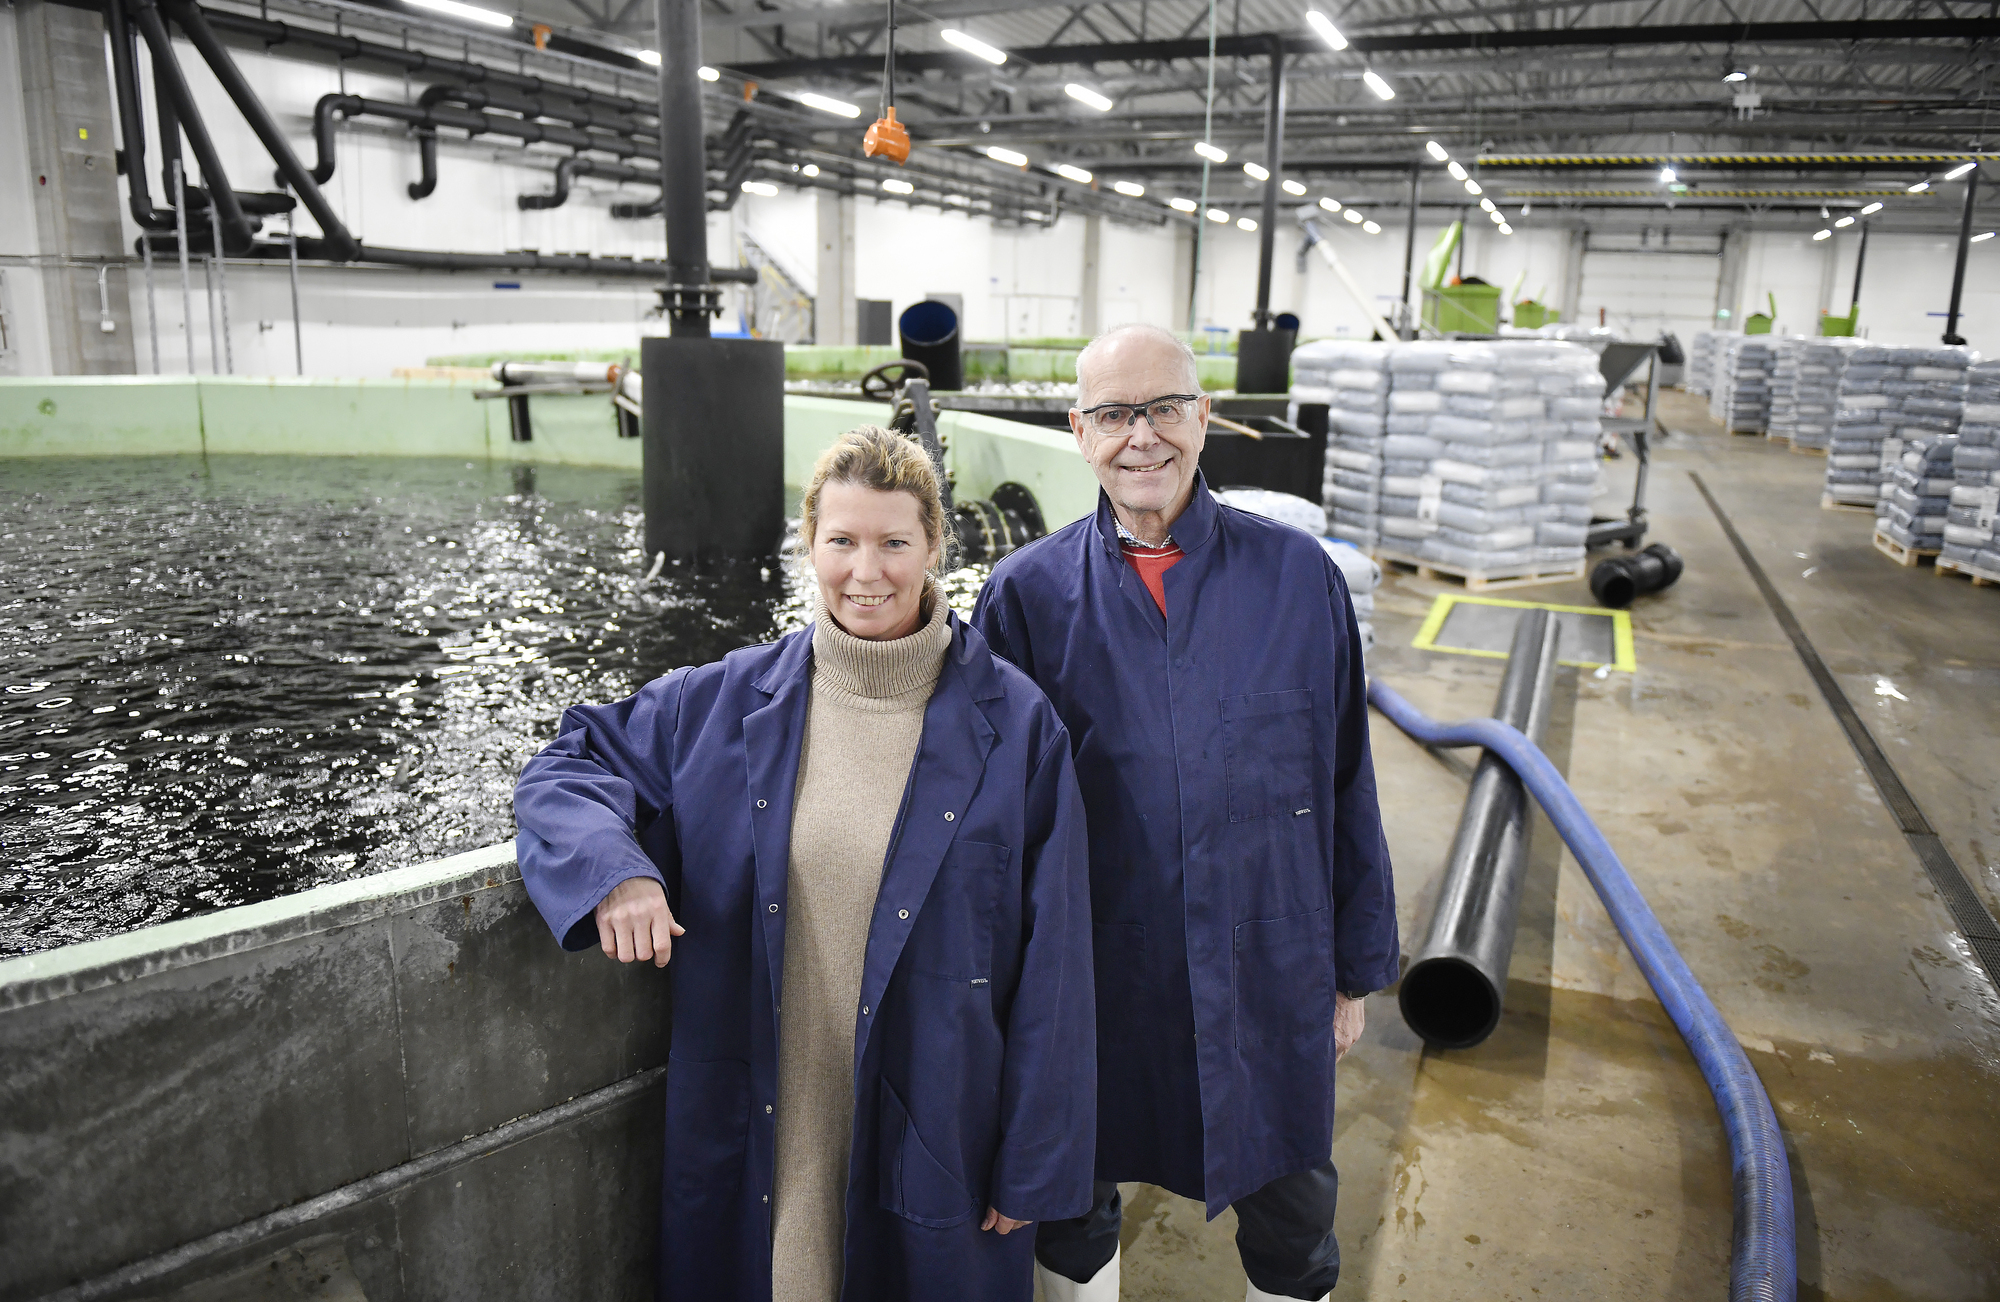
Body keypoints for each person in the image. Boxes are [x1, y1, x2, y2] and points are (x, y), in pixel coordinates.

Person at [514, 426, 1096, 1302]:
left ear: (934, 547)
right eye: (843, 541)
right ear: (808, 544)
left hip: (939, 1134)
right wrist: (615, 871)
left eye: (894, 543)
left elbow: (1058, 966)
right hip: (767, 1134)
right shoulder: (720, 700)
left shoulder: (1019, 728)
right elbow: (569, 764)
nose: (867, 572)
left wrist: (1034, 1163)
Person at [970, 324, 1399, 1302]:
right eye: (1115, 414)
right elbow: (991, 822)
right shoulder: (1025, 597)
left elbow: (1345, 778)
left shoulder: (1297, 579)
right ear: (1079, 430)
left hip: (1268, 965)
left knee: (1293, 1216)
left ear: (1204, 417)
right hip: (1093, 976)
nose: (1142, 437)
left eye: (1164, 408)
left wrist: (1351, 971)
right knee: (1071, 1204)